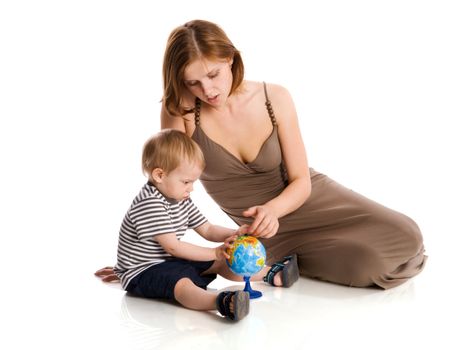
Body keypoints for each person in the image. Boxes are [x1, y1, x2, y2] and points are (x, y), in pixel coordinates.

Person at [98, 19, 427, 290]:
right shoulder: (180, 113)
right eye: (193, 82)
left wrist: (273, 209)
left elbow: (301, 180)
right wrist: (141, 263)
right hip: (259, 231)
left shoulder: (274, 98)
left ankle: (293, 260)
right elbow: (167, 189)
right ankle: (280, 265)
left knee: (407, 234)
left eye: (213, 75)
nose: (207, 90)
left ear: (230, 59)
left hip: (306, 200)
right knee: (366, 265)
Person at [95, 129, 299, 322]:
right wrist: (215, 252)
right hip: (142, 271)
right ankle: (222, 302)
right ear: (159, 175)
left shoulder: (180, 199)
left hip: (168, 262)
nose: (191, 188)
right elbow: (173, 247)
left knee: (222, 262)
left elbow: (208, 229)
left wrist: (237, 233)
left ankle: (272, 273)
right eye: (186, 182)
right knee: (181, 284)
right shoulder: (150, 203)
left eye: (194, 182)